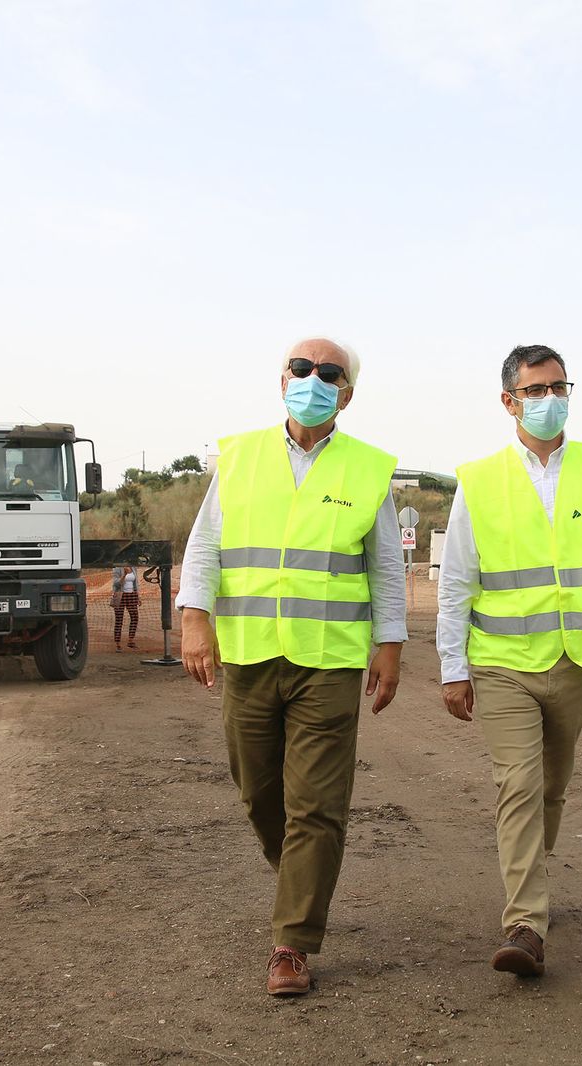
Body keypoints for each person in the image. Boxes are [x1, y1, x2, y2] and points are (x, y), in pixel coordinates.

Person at [178, 338, 405, 997]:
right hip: (248, 653)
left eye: (328, 373)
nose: (313, 379)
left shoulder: (369, 470)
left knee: (317, 806)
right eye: (301, 369)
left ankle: (292, 944)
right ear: (282, 381)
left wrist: (389, 647)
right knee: (258, 793)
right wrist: (196, 618)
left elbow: (386, 568)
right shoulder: (240, 455)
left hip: (327, 663)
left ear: (347, 392)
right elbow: (207, 544)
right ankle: (303, 876)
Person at [438, 344, 582, 977]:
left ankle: (528, 880)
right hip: (503, 662)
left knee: (551, 789)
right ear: (509, 401)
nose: (550, 398)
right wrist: (454, 665)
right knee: (520, 785)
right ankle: (526, 922)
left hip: (576, 661)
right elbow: (455, 583)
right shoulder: (477, 480)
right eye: (536, 389)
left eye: (559, 386)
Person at [111, 564, 140, 649]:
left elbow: (136, 583)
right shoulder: (117, 568)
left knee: (135, 617)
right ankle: (117, 643)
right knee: (119, 619)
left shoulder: (133, 567)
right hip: (120, 595)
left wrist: (138, 596)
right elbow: (116, 584)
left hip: (131, 595)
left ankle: (131, 640)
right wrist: (124, 575)